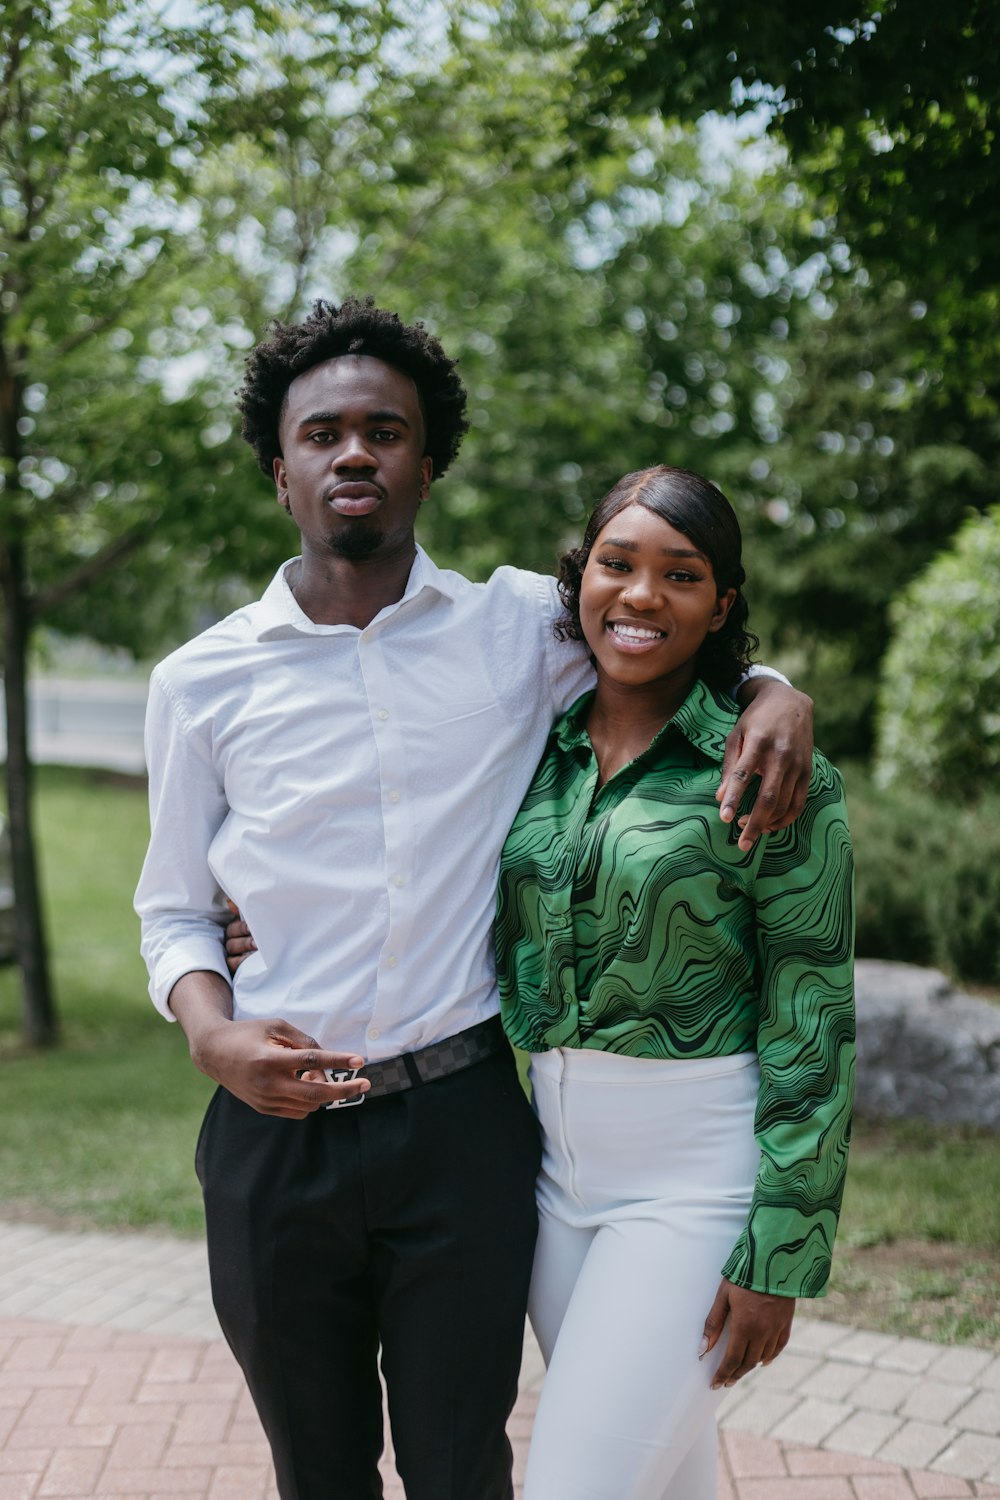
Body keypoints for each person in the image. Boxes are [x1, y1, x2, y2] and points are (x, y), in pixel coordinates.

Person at [135, 297, 815, 1500]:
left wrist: (772, 686)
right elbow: (174, 908)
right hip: (271, 1139)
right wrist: (210, 1029)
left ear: (427, 461)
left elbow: (650, 624)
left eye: (385, 431)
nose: (354, 452)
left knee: (464, 1469)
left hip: (459, 1133)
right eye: (322, 433)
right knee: (320, 1472)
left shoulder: (514, 630)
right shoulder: (200, 684)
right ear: (277, 469)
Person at [494, 465, 855, 1500]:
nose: (642, 595)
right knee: (665, 1483)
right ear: (580, 581)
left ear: (721, 606)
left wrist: (780, 1251)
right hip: (558, 1180)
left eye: (680, 574)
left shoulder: (770, 768)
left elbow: (814, 1020)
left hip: (694, 1182)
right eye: (618, 564)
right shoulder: (541, 748)